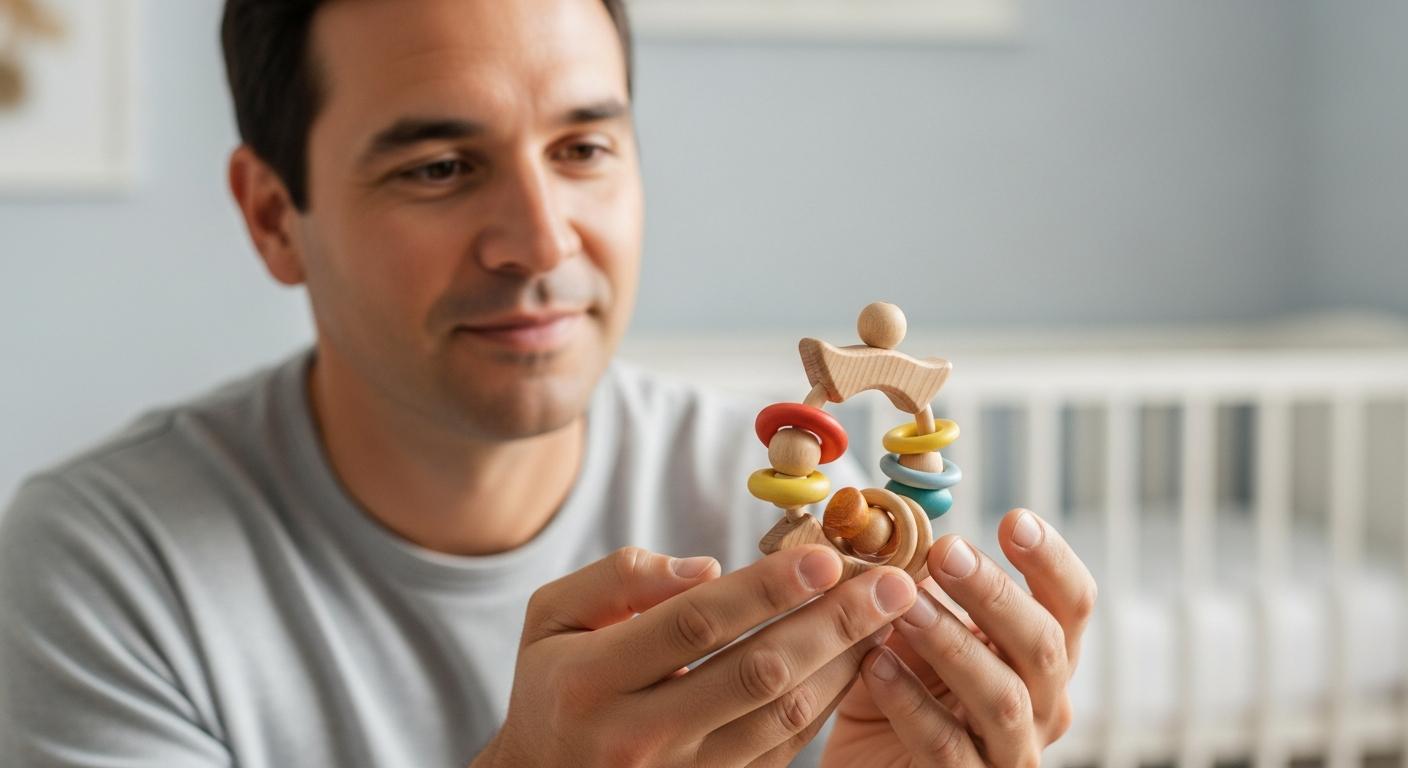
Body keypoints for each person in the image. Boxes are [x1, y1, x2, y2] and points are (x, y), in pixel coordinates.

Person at [0, 0, 1097, 765]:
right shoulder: (106, 566)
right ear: (274, 216)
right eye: (437, 168)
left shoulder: (798, 506)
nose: (538, 241)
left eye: (582, 150)